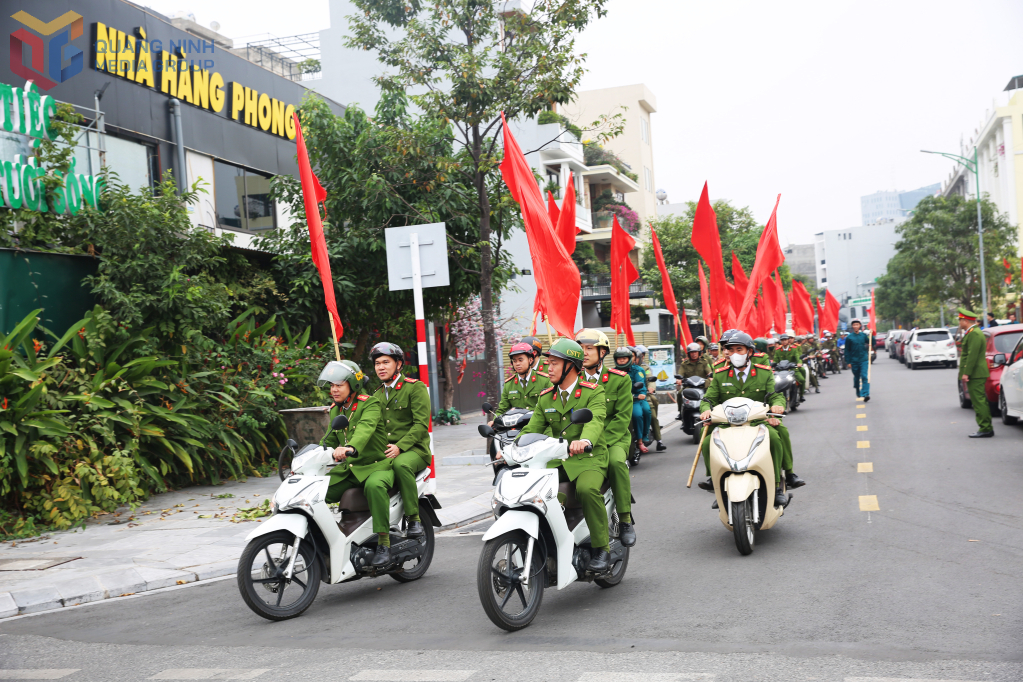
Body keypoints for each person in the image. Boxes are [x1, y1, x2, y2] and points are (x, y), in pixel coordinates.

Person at [518, 338, 613, 571]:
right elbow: (532, 429)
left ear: (571, 366)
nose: (547, 368)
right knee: (534, 493)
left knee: (586, 490)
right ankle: (550, 544)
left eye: (554, 363)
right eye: (548, 363)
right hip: (558, 458)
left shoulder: (593, 391)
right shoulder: (546, 396)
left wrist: (585, 440)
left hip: (589, 457)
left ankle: (602, 548)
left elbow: (596, 419)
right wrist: (514, 446)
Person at [697, 332, 802, 508]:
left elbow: (775, 395)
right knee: (708, 441)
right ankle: (717, 485)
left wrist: (776, 408)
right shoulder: (721, 374)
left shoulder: (763, 372)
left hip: (758, 420)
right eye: (731, 350)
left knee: (776, 437)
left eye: (740, 349)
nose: (735, 353)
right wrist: (706, 411)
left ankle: (778, 484)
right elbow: (709, 399)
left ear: (749, 352)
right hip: (728, 422)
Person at [319, 361, 394, 566]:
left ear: (352, 385)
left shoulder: (369, 404)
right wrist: (308, 459)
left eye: (339, 385)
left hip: (376, 466)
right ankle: (327, 540)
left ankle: (384, 544)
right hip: (350, 470)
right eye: (332, 385)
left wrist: (350, 447)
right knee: (316, 492)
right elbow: (329, 441)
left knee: (375, 486)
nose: (334, 389)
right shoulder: (336, 409)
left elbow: (365, 429)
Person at [576, 329, 636, 546]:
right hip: (583, 440)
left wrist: (598, 443)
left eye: (589, 348)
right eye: (581, 348)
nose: (584, 353)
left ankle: (626, 519)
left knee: (616, 462)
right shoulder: (573, 380)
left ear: (602, 352)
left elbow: (621, 419)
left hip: (614, 438)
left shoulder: (619, 380)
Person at [370, 342, 432, 538]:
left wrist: (400, 447)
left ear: (398, 364)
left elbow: (421, 425)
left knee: (401, 465)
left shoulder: (415, 388)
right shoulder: (376, 394)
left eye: (385, 362)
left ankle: (414, 519)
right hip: (386, 451)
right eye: (377, 363)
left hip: (415, 450)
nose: (380, 367)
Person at [491, 342, 552, 424]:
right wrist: (494, 421)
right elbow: (502, 409)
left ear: (530, 360)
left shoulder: (544, 380)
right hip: (516, 427)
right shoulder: (509, 384)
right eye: (514, 361)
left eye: (520, 360)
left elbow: (551, 407)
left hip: (540, 427)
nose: (517, 363)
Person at [958, 308, 993, 438]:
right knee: (978, 400)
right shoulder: (972, 332)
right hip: (976, 372)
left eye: (960, 320)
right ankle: (986, 427)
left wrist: (966, 373)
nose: (959, 323)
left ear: (965, 321)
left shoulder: (974, 333)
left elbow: (972, 355)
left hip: (976, 373)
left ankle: (985, 428)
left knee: (979, 401)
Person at [614, 347, 650, 453]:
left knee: (640, 413)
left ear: (629, 359)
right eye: (619, 358)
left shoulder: (638, 370)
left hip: (634, 399)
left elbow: (641, 384)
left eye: (624, 358)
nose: (621, 360)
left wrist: (642, 394)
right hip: (618, 400)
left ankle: (641, 440)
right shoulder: (612, 372)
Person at [773, 334, 807, 403]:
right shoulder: (778, 350)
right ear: (781, 341)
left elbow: (798, 358)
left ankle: (801, 395)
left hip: (792, 369)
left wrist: (799, 363)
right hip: (781, 370)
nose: (784, 341)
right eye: (782, 340)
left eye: (785, 340)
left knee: (802, 380)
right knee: (774, 382)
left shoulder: (793, 349)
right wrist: (772, 365)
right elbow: (775, 360)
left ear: (788, 340)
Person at [843, 320, 872, 402]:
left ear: (860, 326)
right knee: (857, 378)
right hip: (854, 361)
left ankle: (866, 394)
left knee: (864, 376)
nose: (856, 326)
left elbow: (871, 342)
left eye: (857, 324)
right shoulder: (849, 337)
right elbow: (847, 350)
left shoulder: (863, 335)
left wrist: (871, 335)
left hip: (863, 359)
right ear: (852, 326)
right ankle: (858, 390)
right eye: (854, 325)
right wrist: (848, 361)